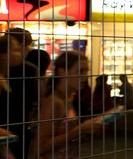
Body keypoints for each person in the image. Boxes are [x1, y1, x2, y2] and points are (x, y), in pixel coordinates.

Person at [28, 51, 104, 158]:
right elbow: (40, 147)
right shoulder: (54, 102)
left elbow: (64, 136)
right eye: (80, 71)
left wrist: (87, 131)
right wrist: (80, 129)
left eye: (86, 72)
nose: (85, 77)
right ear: (62, 72)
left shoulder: (67, 99)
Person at [5, 28, 39, 158]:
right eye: (26, 45)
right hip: (20, 123)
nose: (29, 49)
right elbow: (33, 100)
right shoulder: (29, 70)